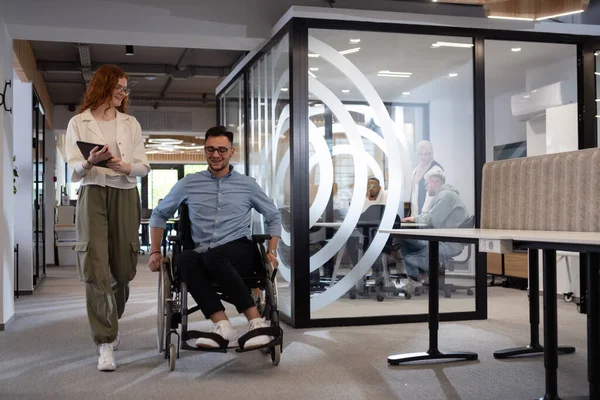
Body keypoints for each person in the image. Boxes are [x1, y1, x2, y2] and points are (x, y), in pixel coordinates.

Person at [148, 126, 281, 350]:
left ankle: (255, 321)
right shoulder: (189, 183)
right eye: (210, 149)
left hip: (240, 251)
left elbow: (273, 216)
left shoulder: (247, 185)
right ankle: (223, 325)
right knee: (185, 260)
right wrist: (154, 251)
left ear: (231, 152)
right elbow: (160, 213)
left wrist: (272, 250)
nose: (215, 155)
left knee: (213, 257)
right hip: (204, 254)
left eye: (221, 149)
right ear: (205, 151)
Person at [64, 64, 150, 371]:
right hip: (92, 193)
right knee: (95, 266)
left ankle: (110, 318)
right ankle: (105, 341)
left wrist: (124, 166)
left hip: (125, 192)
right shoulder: (78, 122)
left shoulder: (130, 123)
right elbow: (73, 171)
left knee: (124, 268)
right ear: (103, 87)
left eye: (126, 89)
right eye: (119, 88)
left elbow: (143, 166)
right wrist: (90, 161)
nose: (123, 94)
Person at [399, 167, 467, 294]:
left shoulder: (446, 195)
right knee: (409, 239)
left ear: (435, 182)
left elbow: (433, 219)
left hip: (448, 243)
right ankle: (420, 275)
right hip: (447, 240)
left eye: (426, 184)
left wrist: (413, 219)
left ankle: (416, 277)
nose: (425, 188)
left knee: (403, 237)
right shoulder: (447, 195)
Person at [409, 140, 443, 217]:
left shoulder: (435, 170)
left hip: (428, 215)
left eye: (426, 154)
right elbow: (413, 194)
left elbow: (431, 196)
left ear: (430, 154)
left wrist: (423, 214)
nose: (423, 157)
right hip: (415, 213)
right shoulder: (415, 171)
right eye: (420, 154)